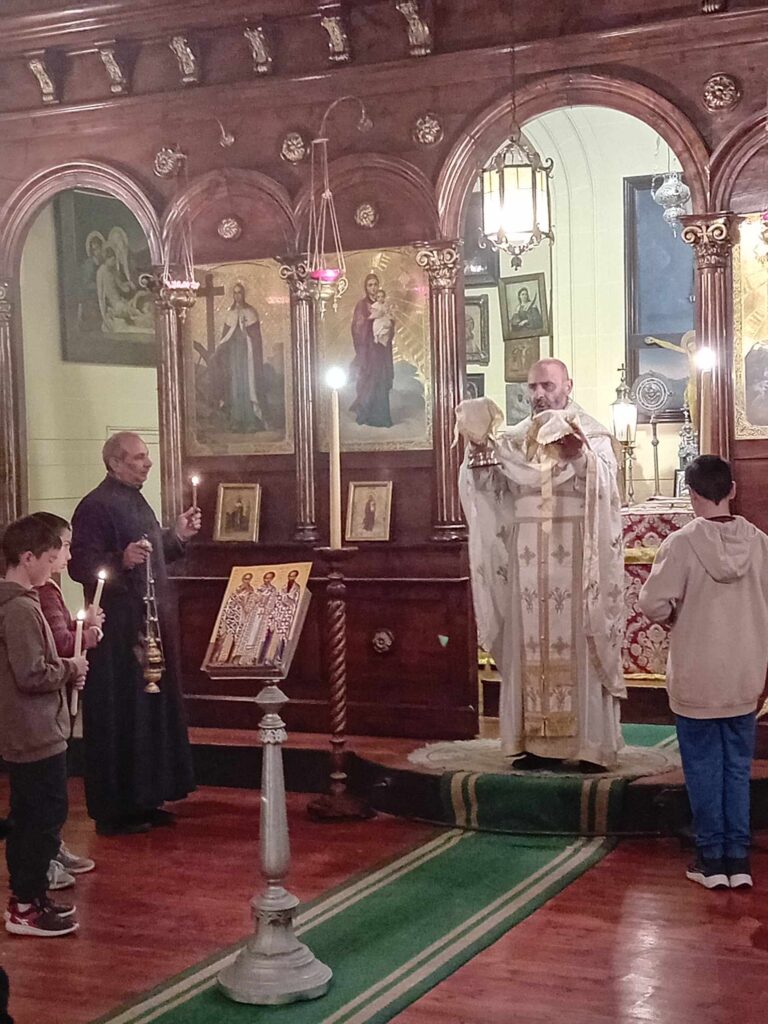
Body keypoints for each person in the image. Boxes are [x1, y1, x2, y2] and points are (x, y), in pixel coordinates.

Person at [458, 358, 626, 769]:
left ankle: (589, 745)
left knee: (581, 639)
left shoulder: (593, 434)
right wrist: (478, 448)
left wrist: (579, 457)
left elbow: (608, 485)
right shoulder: (515, 440)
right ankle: (532, 742)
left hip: (577, 558)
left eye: (547, 386)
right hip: (528, 560)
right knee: (527, 642)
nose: (538, 394)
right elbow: (490, 490)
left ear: (568, 385)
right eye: (532, 387)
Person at [639, 455, 768, 890]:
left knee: (703, 770)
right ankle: (738, 860)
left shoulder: (680, 544)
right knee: (736, 769)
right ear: (732, 490)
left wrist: (677, 618)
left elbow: (652, 603)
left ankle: (711, 862)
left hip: (697, 675)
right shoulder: (760, 544)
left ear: (691, 494)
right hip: (744, 675)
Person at [69, 432, 200, 836]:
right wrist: (119, 559)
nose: (148, 464)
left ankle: (147, 796)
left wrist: (175, 537)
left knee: (151, 710)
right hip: (119, 632)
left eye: (147, 457)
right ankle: (116, 808)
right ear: (114, 462)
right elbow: (81, 565)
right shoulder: (94, 506)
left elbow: (150, 551)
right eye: (139, 458)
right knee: (122, 712)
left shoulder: (136, 500)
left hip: (150, 625)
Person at [0, 515, 88, 936]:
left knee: (35, 815)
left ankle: (31, 898)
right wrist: (71, 667)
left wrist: (66, 668)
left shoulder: (23, 602)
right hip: (33, 730)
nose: (54, 566)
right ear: (27, 557)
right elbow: (31, 673)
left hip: (33, 727)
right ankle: (25, 906)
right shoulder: (18, 608)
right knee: (40, 817)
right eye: (49, 558)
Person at [30, 512, 103, 890]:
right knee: (41, 794)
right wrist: (87, 636)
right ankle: (41, 861)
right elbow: (58, 645)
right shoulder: (38, 595)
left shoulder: (48, 590)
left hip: (52, 703)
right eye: (65, 547)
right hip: (38, 713)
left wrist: (84, 629)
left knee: (54, 789)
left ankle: (52, 847)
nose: (70, 555)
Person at [208, 282, 266, 433]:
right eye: (235, 292)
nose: (237, 295)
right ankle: (236, 420)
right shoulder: (230, 314)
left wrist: (247, 335)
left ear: (244, 294)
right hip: (234, 356)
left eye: (239, 292)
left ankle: (251, 420)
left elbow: (256, 338)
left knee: (247, 386)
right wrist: (220, 352)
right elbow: (225, 337)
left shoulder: (251, 312)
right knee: (234, 386)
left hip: (247, 357)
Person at [349, 272, 395, 428]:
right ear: (366, 287)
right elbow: (357, 326)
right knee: (368, 378)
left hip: (381, 349)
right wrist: (370, 319)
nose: (373, 288)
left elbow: (390, 323)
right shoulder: (362, 305)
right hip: (368, 349)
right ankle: (365, 413)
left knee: (381, 379)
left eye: (375, 284)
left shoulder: (383, 303)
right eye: (370, 285)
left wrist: (389, 324)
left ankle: (381, 417)